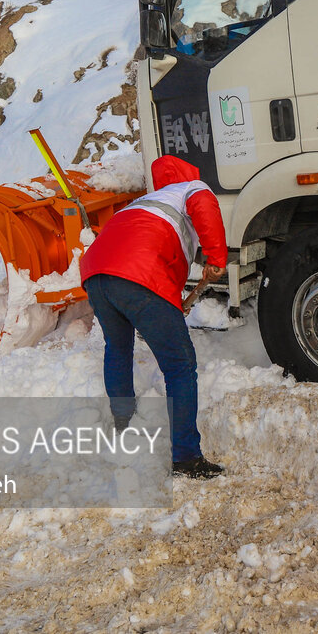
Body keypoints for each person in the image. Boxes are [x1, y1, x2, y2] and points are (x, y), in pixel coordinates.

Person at [80, 155, 227, 479]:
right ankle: (187, 457)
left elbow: (148, 248)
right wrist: (216, 256)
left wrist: (171, 303)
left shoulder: (146, 200)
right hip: (137, 274)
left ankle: (122, 424)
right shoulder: (192, 188)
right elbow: (204, 207)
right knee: (179, 364)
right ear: (188, 174)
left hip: (96, 273)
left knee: (118, 348)